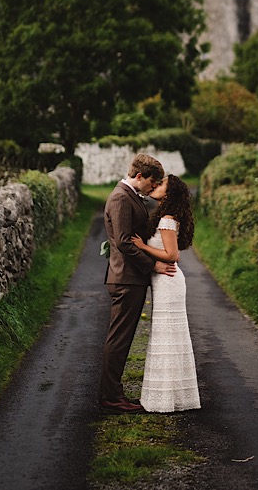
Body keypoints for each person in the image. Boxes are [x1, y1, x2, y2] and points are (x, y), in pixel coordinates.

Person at [100, 153, 176, 414]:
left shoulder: (129, 196)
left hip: (130, 278)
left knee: (123, 338)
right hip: (126, 278)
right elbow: (123, 242)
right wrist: (153, 265)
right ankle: (110, 396)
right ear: (139, 176)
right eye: (152, 183)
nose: (153, 188)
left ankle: (113, 393)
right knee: (119, 339)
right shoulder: (121, 197)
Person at [129, 174, 201, 413]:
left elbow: (172, 255)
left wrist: (142, 247)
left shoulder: (167, 219)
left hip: (169, 281)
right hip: (165, 281)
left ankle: (167, 399)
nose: (155, 185)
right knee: (167, 337)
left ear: (168, 195)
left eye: (161, 185)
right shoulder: (164, 216)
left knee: (167, 337)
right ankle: (172, 397)